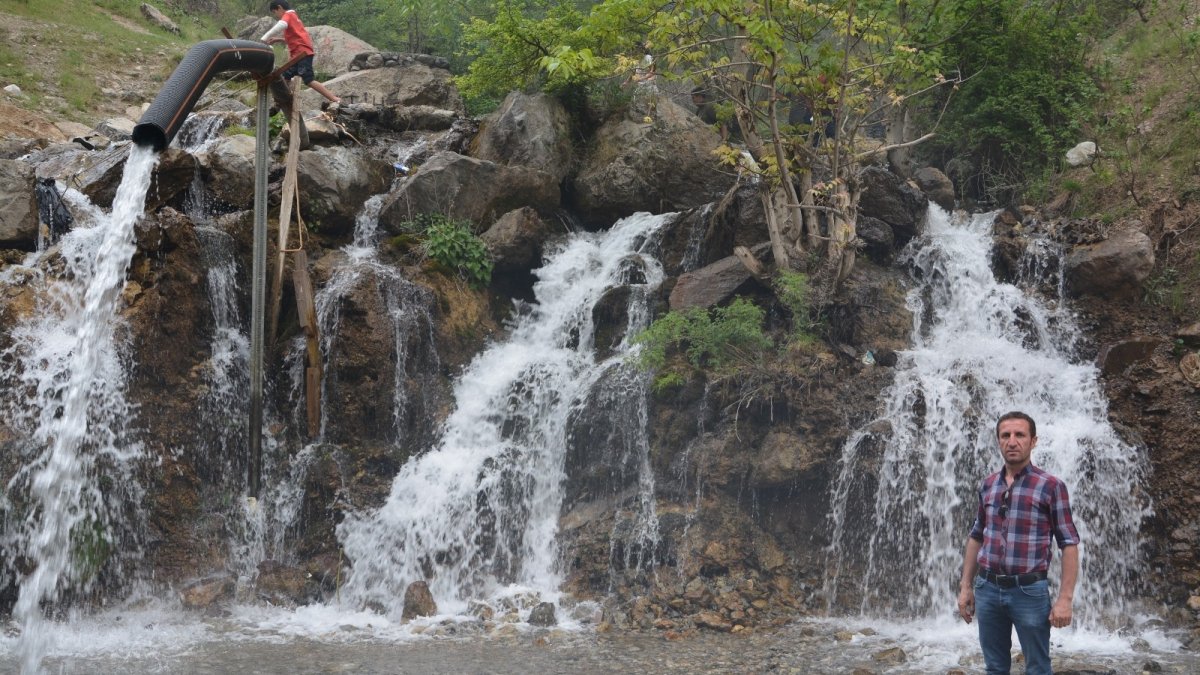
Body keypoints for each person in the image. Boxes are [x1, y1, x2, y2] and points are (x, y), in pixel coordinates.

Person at [957, 411, 1080, 675]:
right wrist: (966, 587)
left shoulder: (1051, 486)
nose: (1012, 441)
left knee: (1037, 667)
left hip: (1029, 591)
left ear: (1033, 441)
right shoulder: (988, 485)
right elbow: (977, 535)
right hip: (987, 588)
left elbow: (1068, 543)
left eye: (1020, 435)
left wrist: (1065, 600)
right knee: (995, 667)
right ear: (999, 441)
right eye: (1006, 435)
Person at [261, 1, 340, 104]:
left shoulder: (288, 15)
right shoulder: (294, 17)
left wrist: (264, 38)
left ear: (279, 8)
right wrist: (278, 39)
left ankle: (334, 98)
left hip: (302, 54)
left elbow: (282, 25)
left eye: (275, 12)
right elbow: (296, 38)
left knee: (308, 80)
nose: (276, 16)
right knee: (285, 77)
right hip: (297, 54)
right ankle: (282, 102)